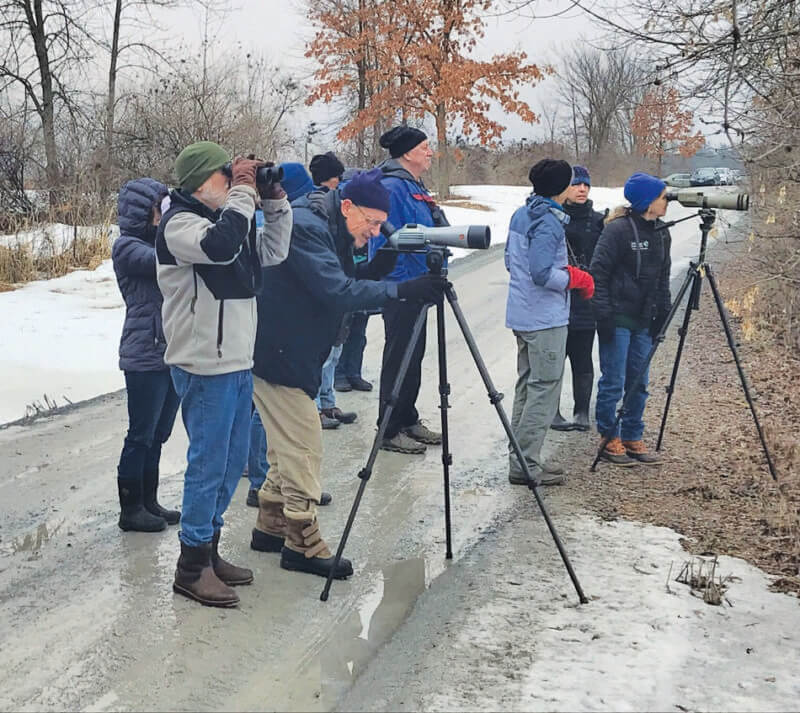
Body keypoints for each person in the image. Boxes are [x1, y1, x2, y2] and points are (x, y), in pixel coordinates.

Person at [250, 169, 447, 579]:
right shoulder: (306, 227)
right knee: (304, 444)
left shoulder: (330, 226)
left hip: (292, 348)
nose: (374, 231)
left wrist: (384, 263)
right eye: (371, 223)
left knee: (286, 442)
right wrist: (404, 290)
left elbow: (343, 282)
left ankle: (270, 524)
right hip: (279, 351)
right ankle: (302, 542)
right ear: (346, 206)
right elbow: (335, 292)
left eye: (380, 226)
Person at [157, 141, 292, 607]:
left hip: (237, 361)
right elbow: (220, 247)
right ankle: (191, 566)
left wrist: (272, 201)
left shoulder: (226, 219)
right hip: (202, 364)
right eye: (226, 176)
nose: (237, 186)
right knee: (208, 465)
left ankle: (209, 552)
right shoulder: (179, 224)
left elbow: (271, 252)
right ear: (201, 181)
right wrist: (243, 190)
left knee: (231, 465)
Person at [504, 159, 594, 486]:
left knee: (528, 386)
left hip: (523, 315)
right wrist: (573, 278)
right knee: (543, 389)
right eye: (572, 183)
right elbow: (541, 273)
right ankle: (526, 463)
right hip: (544, 319)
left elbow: (510, 262)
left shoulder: (521, 213)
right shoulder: (549, 222)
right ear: (561, 188)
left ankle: (522, 459)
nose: (576, 188)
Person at [368, 126, 446, 455]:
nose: (430, 153)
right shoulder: (390, 187)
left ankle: (407, 417)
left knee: (414, 356)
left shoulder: (413, 185)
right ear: (408, 153)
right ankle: (388, 429)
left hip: (420, 283)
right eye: (425, 147)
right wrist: (402, 286)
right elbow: (384, 242)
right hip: (403, 287)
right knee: (399, 356)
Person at [112, 177, 181, 533]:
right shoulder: (126, 248)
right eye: (159, 208)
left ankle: (149, 501)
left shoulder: (157, 242)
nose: (163, 215)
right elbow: (164, 261)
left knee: (158, 434)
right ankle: (131, 508)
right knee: (140, 434)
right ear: (143, 212)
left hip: (169, 352)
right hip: (143, 353)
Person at [590, 172, 671, 466]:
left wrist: (663, 313)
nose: (667, 202)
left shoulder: (663, 231)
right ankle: (608, 434)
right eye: (663, 197)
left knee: (640, 381)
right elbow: (597, 273)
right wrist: (604, 315)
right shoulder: (618, 230)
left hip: (644, 319)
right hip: (618, 315)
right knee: (614, 380)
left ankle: (632, 434)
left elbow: (663, 278)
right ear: (648, 201)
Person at [551, 165, 606, 432]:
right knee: (554, 360)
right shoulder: (553, 219)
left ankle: (582, 411)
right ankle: (552, 412)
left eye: (586, 184)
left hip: (586, 300)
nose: (582, 189)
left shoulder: (599, 222)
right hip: (557, 299)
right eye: (576, 184)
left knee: (582, 358)